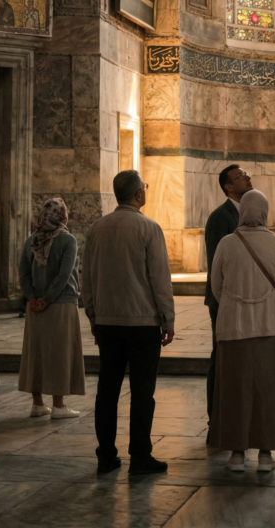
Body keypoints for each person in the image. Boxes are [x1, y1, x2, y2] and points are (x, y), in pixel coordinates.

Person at [81, 169, 175, 477]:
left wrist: (93, 316)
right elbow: (159, 279)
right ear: (138, 194)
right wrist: (167, 318)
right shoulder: (149, 228)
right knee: (142, 391)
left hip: (108, 322)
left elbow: (87, 278)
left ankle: (106, 456)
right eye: (144, 187)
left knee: (107, 391)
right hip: (142, 323)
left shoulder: (97, 228)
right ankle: (140, 457)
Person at [208, 189, 275, 472]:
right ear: (265, 211)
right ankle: (266, 455)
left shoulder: (226, 243)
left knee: (235, 390)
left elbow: (216, 287)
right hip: (269, 328)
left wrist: (236, 306)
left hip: (233, 328)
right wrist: (267, 305)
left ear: (242, 211)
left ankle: (236, 454)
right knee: (268, 391)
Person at [18, 197, 85, 419]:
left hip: (35, 307)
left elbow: (23, 272)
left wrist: (32, 297)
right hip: (61, 305)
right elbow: (64, 275)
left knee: (35, 354)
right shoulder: (68, 240)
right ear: (61, 216)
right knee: (60, 354)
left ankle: (37, 404)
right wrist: (47, 299)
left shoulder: (32, 240)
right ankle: (58, 405)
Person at [204, 165, 254, 421]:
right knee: (221, 357)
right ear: (228, 186)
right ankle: (215, 418)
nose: (247, 177)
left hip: (242, 299)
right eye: (240, 176)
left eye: (246, 174)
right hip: (224, 300)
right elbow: (216, 265)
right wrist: (224, 300)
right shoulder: (220, 217)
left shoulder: (248, 214)